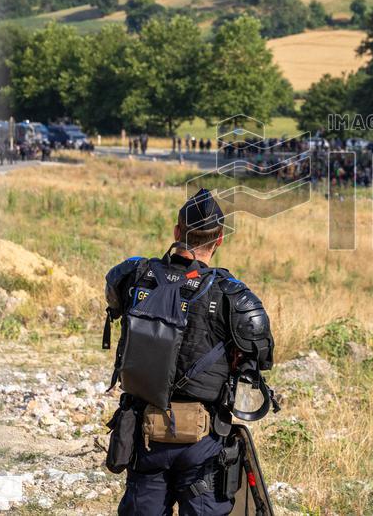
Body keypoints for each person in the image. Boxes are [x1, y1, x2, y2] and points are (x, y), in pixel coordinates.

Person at [103, 189, 275, 516]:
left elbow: (113, 297)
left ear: (176, 232)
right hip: (204, 443)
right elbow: (261, 358)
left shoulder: (133, 275)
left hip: (145, 433)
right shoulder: (233, 297)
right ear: (220, 239)